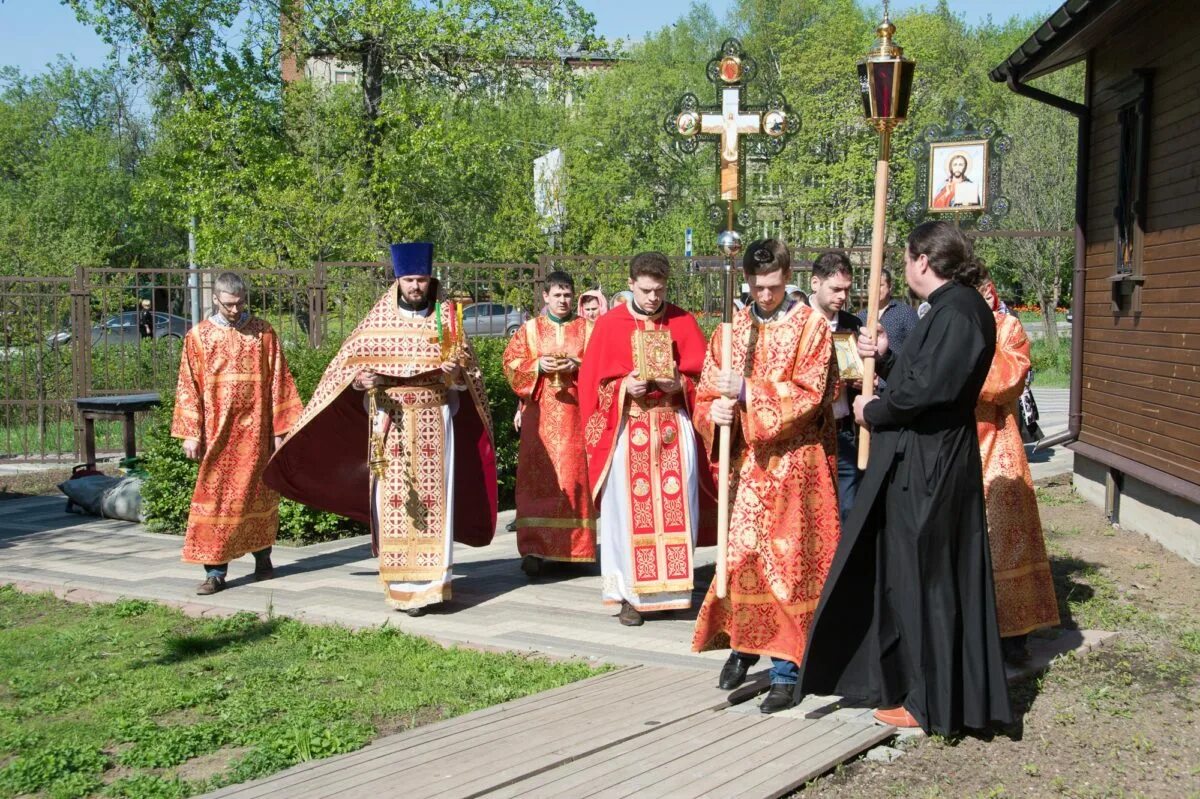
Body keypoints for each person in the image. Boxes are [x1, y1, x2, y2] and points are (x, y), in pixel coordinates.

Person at [797, 221, 1012, 735]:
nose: (905, 267)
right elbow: (926, 378)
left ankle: (928, 701)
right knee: (919, 576)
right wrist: (888, 358)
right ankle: (924, 690)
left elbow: (928, 393)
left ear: (922, 261)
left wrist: (875, 411)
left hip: (932, 463)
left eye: (907, 258)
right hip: (930, 455)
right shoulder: (949, 309)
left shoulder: (957, 311)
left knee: (925, 579)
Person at [264, 243, 497, 614]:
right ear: (398, 280)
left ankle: (433, 583)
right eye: (409, 280)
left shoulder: (447, 321)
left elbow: (470, 379)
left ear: (430, 279)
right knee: (394, 503)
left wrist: (456, 374)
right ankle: (402, 583)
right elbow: (346, 372)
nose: (416, 287)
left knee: (434, 503)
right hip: (391, 426)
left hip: (434, 424)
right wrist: (362, 380)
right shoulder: (377, 323)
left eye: (422, 280)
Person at [691, 239, 841, 714]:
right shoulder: (732, 329)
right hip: (748, 467)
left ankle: (786, 670)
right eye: (757, 287)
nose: (765, 295)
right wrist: (713, 412)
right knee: (743, 561)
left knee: (788, 567)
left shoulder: (812, 327)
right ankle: (743, 644)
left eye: (773, 286)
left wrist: (747, 392)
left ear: (788, 276)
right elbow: (706, 391)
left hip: (796, 469)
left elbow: (811, 394)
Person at [578, 251, 715, 626]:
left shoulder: (683, 321)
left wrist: (680, 383)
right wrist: (624, 386)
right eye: (646, 290)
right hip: (629, 429)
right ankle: (629, 597)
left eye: (660, 290)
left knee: (678, 510)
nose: (653, 298)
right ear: (631, 284)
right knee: (626, 513)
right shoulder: (609, 325)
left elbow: (707, 380)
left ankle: (673, 593)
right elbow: (592, 387)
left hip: (673, 428)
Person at [173, 272, 302, 595]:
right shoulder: (199, 337)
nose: (235, 310)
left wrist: (281, 429)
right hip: (218, 434)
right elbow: (188, 386)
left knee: (259, 494)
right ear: (216, 298)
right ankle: (215, 572)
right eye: (229, 304)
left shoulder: (263, 332)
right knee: (215, 500)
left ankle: (263, 559)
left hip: (257, 433)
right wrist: (191, 433)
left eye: (240, 303)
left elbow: (279, 381)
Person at [976, 278, 1060, 664]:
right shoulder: (946, 322)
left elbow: (1008, 380)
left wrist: (966, 359)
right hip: (956, 440)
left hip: (998, 442)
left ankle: (1013, 634)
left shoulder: (1008, 326)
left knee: (1006, 539)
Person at [504, 271, 596, 577]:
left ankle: (576, 550)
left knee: (574, 479)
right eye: (557, 295)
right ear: (546, 297)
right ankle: (534, 548)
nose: (563, 300)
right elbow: (510, 364)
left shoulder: (588, 329)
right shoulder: (530, 330)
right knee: (537, 478)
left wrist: (577, 365)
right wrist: (537, 365)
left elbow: (601, 367)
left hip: (575, 416)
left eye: (568, 295)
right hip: (539, 416)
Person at [808, 252, 863, 525]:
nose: (842, 296)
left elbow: (865, 372)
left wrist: (866, 376)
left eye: (847, 290)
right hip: (809, 434)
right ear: (815, 283)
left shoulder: (852, 324)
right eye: (836, 289)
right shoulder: (797, 321)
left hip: (843, 432)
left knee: (848, 510)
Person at [858, 268, 919, 356]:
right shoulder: (861, 316)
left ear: (890, 287)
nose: (874, 289)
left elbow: (917, 347)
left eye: (880, 285)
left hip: (896, 364)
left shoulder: (906, 313)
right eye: (870, 285)